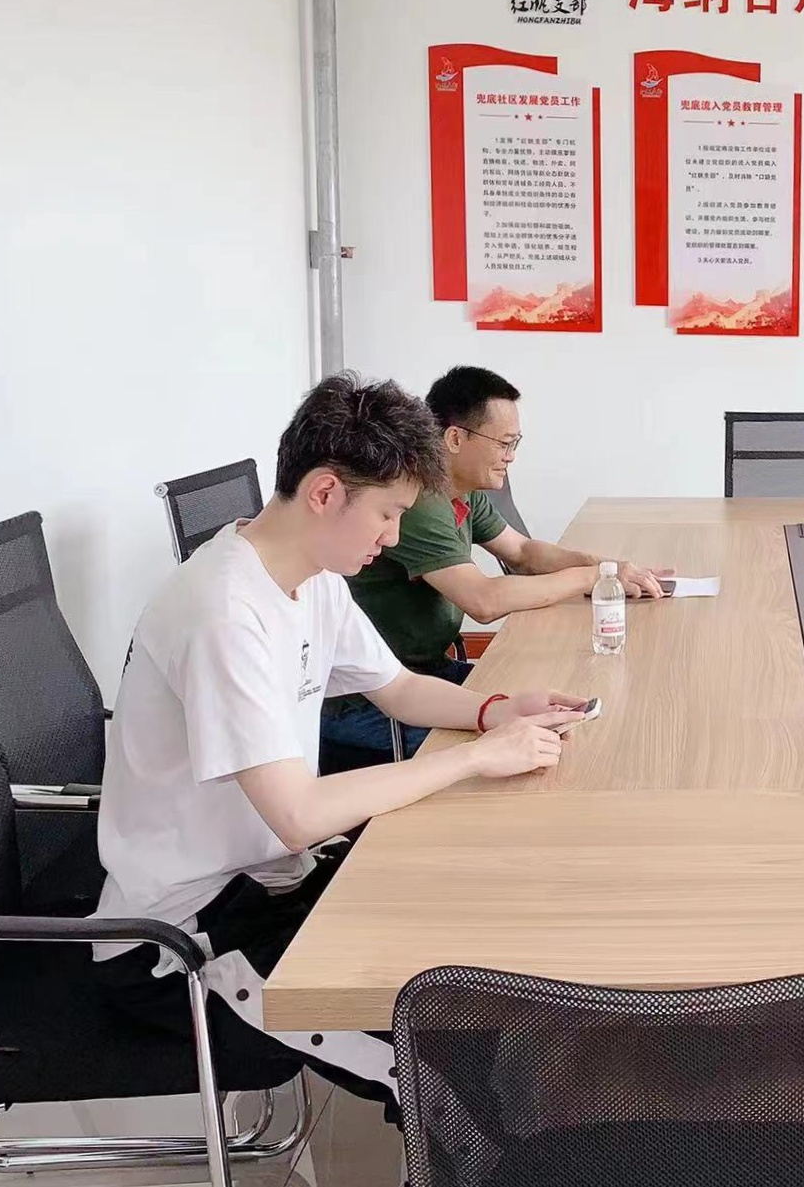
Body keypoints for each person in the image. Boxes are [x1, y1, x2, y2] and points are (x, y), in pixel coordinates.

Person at [91, 372, 589, 1101]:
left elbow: (396, 688)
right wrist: (477, 759)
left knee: (479, 960)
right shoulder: (223, 614)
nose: (393, 538)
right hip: (183, 943)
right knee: (442, 1075)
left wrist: (496, 711)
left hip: (275, 879)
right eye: (388, 514)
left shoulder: (312, 573)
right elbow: (297, 813)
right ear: (325, 492)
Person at [322, 366, 668, 761]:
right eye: (504, 443)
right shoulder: (419, 502)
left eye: (515, 442)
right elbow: (483, 601)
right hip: (368, 704)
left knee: (558, 714)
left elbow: (522, 551)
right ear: (455, 438)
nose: (511, 456)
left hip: (421, 675)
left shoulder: (462, 491)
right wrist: (590, 577)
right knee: (550, 750)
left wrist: (608, 568)